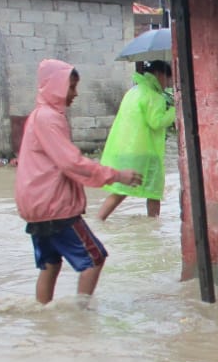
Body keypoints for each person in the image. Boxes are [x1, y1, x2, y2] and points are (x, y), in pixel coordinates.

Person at [14, 59, 141, 304]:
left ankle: (44, 319)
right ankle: (82, 316)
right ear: (54, 86)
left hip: (36, 206)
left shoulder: (39, 116)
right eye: (71, 87)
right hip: (54, 206)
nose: (75, 94)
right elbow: (71, 163)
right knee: (95, 258)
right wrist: (116, 175)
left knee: (50, 265)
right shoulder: (49, 118)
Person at [97, 59, 177, 220]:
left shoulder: (133, 91)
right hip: (145, 152)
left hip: (123, 149)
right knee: (153, 192)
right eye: (168, 79)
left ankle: (99, 220)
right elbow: (157, 122)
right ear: (159, 74)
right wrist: (175, 110)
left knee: (120, 191)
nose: (168, 84)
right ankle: (153, 223)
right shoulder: (154, 97)